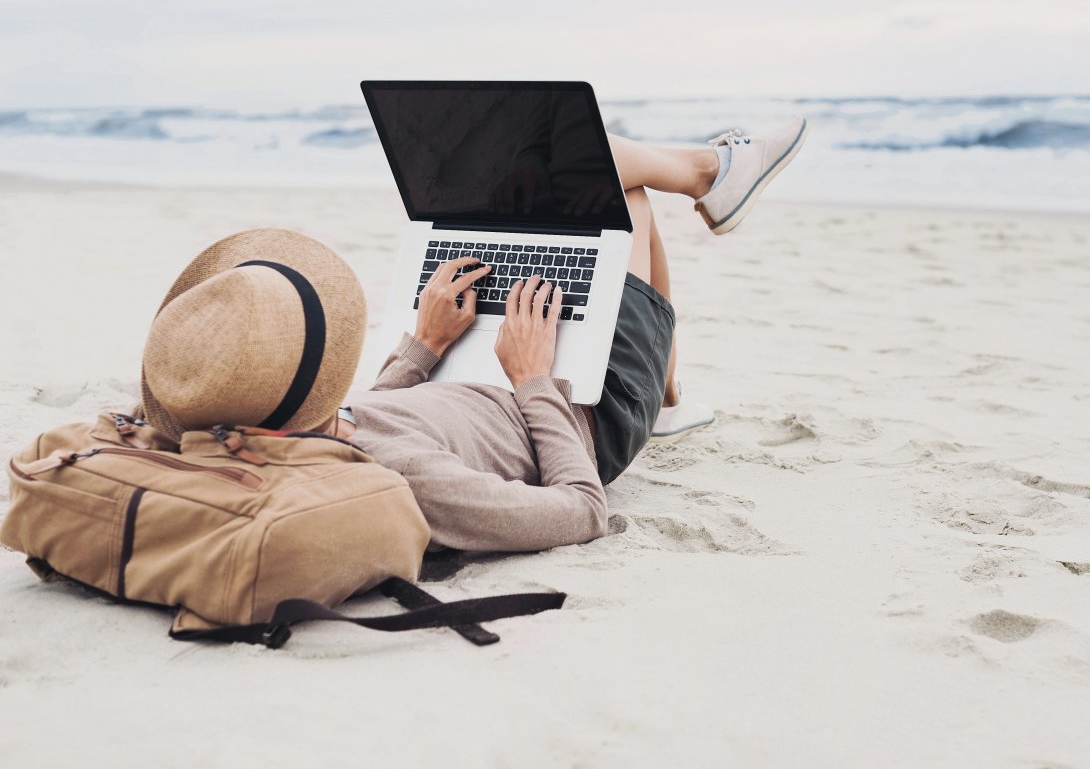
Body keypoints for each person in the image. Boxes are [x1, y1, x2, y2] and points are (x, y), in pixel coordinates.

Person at [139, 119, 808, 553]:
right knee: (611, 187)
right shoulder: (412, 480)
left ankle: (672, 382)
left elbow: (371, 417)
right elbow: (581, 511)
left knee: (562, 165)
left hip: (468, 370)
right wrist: (533, 378)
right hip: (581, 414)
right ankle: (709, 177)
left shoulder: (285, 438)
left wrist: (425, 345)